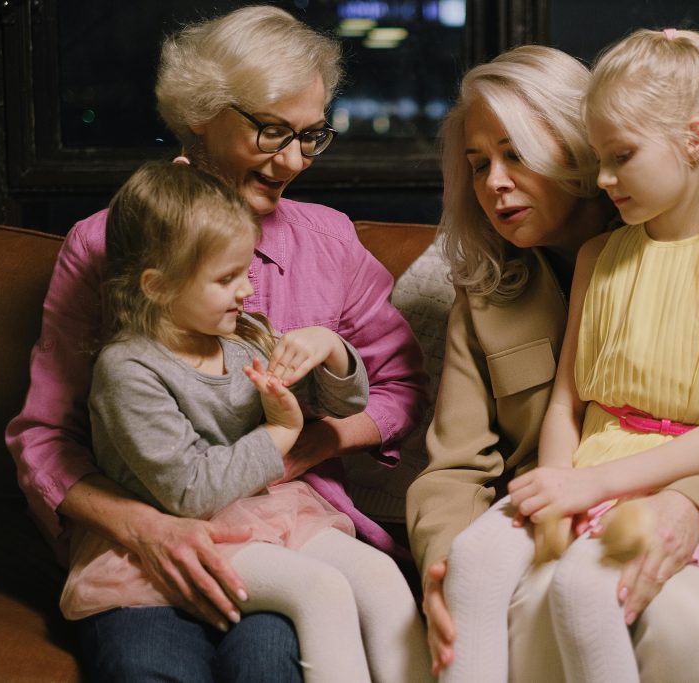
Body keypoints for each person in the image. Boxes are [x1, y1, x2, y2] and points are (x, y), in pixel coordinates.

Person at [5, 6, 426, 680]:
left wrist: (313, 441)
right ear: (202, 113)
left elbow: (401, 387)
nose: (293, 159)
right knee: (146, 664)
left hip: (287, 524)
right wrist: (144, 526)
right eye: (271, 130)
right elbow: (44, 436)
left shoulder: (329, 241)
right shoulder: (104, 243)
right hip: (144, 534)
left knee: (269, 661)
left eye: (311, 134)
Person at [405, 43, 699, 681]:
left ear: (578, 151)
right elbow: (454, 465)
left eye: (516, 154)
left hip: (655, 499)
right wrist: (444, 568)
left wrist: (691, 505)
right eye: (477, 165)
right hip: (552, 511)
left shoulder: (689, 237)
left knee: (662, 616)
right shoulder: (487, 294)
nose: (494, 183)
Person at [57, 160, 432, 683]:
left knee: (379, 576)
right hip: (184, 531)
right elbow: (189, 491)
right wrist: (279, 434)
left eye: (245, 273)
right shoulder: (128, 370)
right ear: (158, 286)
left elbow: (339, 407)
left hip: (268, 515)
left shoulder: (242, 335)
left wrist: (333, 352)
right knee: (320, 590)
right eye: (227, 278)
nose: (247, 291)